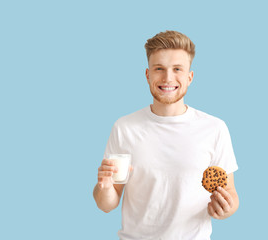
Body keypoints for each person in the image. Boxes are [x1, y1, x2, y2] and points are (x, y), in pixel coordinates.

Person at [93, 30, 239, 239]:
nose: (168, 78)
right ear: (147, 75)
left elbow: (231, 194)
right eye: (159, 68)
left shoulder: (214, 128)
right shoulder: (124, 127)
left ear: (190, 77)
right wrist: (104, 187)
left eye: (177, 69)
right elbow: (106, 204)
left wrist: (226, 208)